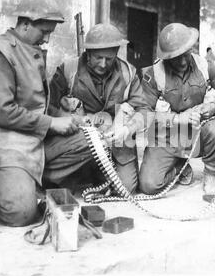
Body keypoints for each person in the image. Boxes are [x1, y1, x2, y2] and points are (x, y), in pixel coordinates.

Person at [0, 0, 75, 226]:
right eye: (43, 32)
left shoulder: (28, 48)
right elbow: (4, 112)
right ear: (25, 24)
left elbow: (34, 104)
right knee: (21, 214)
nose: (46, 39)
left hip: (30, 138)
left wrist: (65, 117)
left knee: (88, 141)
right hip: (2, 142)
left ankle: (28, 182)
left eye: (50, 33)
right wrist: (52, 123)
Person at [48, 23, 150, 195]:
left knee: (126, 189)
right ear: (88, 53)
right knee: (62, 183)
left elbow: (144, 110)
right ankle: (86, 175)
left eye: (109, 59)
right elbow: (48, 107)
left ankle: (100, 178)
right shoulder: (68, 70)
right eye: (98, 58)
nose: (103, 64)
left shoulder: (128, 72)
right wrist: (73, 118)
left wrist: (127, 129)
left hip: (117, 141)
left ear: (117, 53)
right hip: (81, 141)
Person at [138, 23, 215, 196]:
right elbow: (142, 113)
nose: (182, 61)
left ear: (191, 48)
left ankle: (211, 173)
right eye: (176, 57)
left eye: (185, 54)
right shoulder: (153, 75)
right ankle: (178, 168)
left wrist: (213, 106)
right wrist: (176, 119)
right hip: (168, 136)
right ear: (166, 57)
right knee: (149, 185)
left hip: (200, 132)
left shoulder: (206, 66)